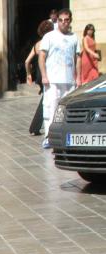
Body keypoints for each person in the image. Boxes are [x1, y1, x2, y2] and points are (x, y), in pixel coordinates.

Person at [39, 8, 81, 149]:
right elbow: (42, 57)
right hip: (53, 81)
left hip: (69, 81)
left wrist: (78, 78)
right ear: (57, 20)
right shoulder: (49, 36)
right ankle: (49, 137)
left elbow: (78, 58)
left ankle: (65, 136)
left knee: (67, 110)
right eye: (61, 20)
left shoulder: (74, 37)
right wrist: (44, 75)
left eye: (66, 20)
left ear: (70, 21)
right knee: (51, 108)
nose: (63, 22)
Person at [25, 20, 56, 136]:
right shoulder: (50, 42)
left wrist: (28, 74)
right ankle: (35, 127)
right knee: (46, 100)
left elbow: (27, 61)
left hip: (39, 75)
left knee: (46, 98)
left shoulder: (37, 44)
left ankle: (36, 127)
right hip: (47, 74)